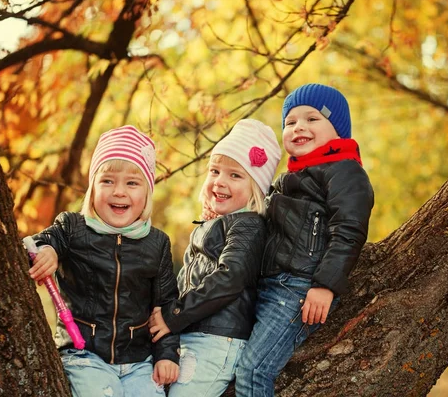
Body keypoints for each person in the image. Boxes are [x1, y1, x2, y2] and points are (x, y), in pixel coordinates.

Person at [235, 84, 375, 396]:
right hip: (268, 286)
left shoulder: (344, 170)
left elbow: (349, 230)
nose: (299, 127)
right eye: (290, 122)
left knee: (253, 370)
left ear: (337, 130)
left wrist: (325, 285)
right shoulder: (286, 180)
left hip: (299, 288)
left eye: (312, 119)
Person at [27, 126, 180, 397]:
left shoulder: (157, 243)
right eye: (107, 181)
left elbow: (165, 305)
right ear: (92, 188)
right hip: (83, 354)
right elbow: (39, 242)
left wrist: (167, 355)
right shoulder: (73, 228)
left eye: (132, 183)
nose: (119, 191)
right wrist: (47, 250)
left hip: (138, 361)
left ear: (147, 192)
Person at [148, 119, 282, 397]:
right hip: (195, 335)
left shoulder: (248, 225)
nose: (220, 181)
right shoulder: (214, 225)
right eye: (215, 171)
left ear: (256, 188)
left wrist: (175, 314)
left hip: (217, 339)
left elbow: (230, 278)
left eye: (235, 175)